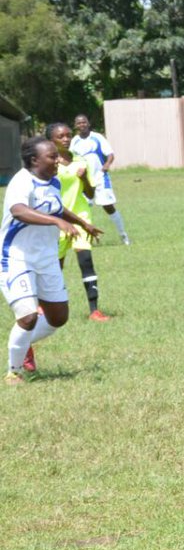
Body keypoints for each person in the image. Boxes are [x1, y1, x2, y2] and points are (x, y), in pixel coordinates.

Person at [4, 137, 103, 385]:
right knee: (28, 317)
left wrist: (82, 222)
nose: (57, 159)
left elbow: (56, 207)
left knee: (58, 317)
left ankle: (21, 342)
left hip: (46, 258)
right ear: (35, 160)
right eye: (52, 156)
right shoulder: (22, 180)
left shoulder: (54, 181)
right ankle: (13, 371)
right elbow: (19, 210)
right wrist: (56, 222)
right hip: (17, 258)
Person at [51, 123, 111, 322]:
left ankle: (94, 310)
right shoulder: (48, 164)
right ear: (51, 140)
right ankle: (48, 308)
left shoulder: (80, 160)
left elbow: (90, 193)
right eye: (61, 136)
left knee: (86, 262)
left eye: (69, 135)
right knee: (54, 267)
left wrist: (85, 178)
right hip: (57, 219)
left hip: (81, 217)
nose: (66, 139)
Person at [70, 114, 130, 244]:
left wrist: (107, 165)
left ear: (88, 123)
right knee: (83, 208)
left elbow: (110, 154)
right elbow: (70, 158)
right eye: (79, 123)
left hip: (100, 177)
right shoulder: (74, 141)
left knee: (108, 207)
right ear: (75, 126)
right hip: (84, 180)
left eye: (84, 122)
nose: (82, 125)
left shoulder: (97, 137)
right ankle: (84, 239)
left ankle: (123, 235)